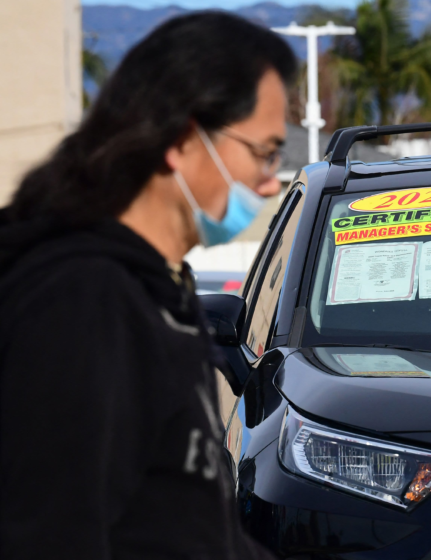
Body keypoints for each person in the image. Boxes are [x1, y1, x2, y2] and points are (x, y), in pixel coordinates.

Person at [0, 12, 296, 559]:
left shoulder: (156, 289)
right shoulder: (82, 301)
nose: (270, 180)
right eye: (264, 152)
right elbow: (49, 531)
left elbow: (188, 525)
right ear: (183, 140)